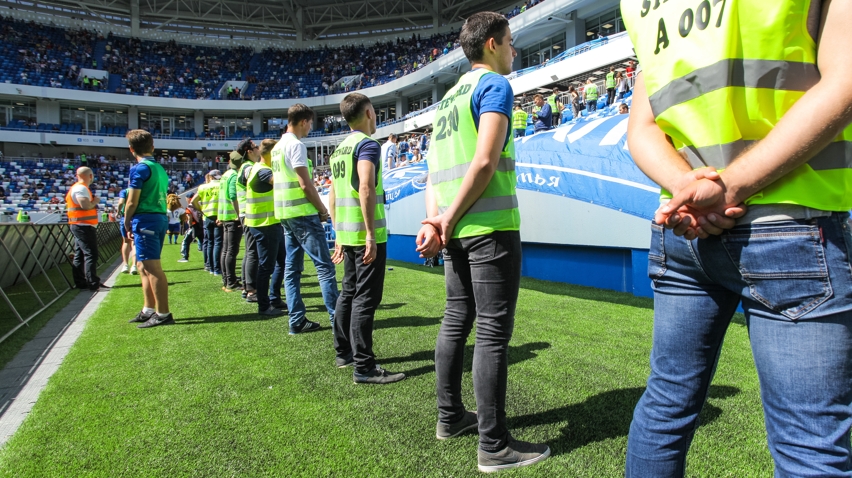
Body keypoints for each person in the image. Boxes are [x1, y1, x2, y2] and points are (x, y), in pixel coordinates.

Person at [622, 0, 852, 476]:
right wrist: (727, 188)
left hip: (684, 232)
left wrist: (687, 189)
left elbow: (640, 127)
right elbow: (845, 81)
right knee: (809, 444)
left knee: (665, 404)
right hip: (790, 223)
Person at [416, 11, 549, 472]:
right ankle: (493, 446)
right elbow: (485, 162)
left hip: (454, 232)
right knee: (492, 333)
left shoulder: (447, 100)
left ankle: (450, 417)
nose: (514, 50)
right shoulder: (495, 86)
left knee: (455, 320)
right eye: (510, 42)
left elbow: (433, 173)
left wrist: (436, 222)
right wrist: (447, 220)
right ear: (492, 43)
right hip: (489, 230)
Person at [329, 92, 404, 385]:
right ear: (370, 113)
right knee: (365, 298)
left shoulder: (339, 150)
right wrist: (371, 234)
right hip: (364, 236)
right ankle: (364, 367)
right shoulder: (368, 145)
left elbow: (333, 195)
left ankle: (344, 353)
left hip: (347, 233)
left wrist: (337, 232)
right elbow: (365, 186)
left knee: (348, 292)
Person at [272, 104, 339, 334]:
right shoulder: (296, 145)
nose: (311, 127)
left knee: (292, 270)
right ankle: (337, 320)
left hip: (286, 215)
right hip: (303, 214)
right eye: (310, 123)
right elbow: (305, 185)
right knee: (325, 268)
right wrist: (322, 210)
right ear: (303, 122)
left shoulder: (277, 148)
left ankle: (297, 320)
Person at [123, 129, 173, 328]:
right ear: (152, 147)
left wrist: (126, 221)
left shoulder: (139, 169)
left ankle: (163, 313)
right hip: (157, 218)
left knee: (152, 268)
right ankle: (148, 309)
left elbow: (131, 201)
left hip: (146, 220)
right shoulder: (159, 168)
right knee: (143, 266)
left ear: (131, 149)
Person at [245, 139, 287, 316]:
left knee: (281, 261)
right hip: (265, 224)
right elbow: (282, 183)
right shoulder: (263, 171)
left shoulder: (257, 168)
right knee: (266, 267)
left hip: (268, 223)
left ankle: (274, 298)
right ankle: (264, 306)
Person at [66, 167, 106, 291]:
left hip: (80, 224)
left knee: (80, 254)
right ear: (90, 176)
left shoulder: (78, 188)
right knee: (91, 254)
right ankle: (93, 283)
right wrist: (95, 201)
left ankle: (81, 282)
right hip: (83, 226)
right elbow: (85, 205)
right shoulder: (81, 188)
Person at [236, 139, 259, 302]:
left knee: (250, 251)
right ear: (249, 151)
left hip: (246, 213)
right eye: (255, 147)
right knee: (252, 252)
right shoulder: (249, 168)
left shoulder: (245, 167)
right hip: (250, 213)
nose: (258, 149)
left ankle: (247, 287)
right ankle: (251, 290)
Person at [218, 151, 243, 292]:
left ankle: (227, 279)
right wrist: (239, 215)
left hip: (225, 215)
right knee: (232, 250)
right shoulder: (234, 175)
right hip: (233, 217)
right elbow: (233, 196)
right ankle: (231, 281)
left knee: (226, 249)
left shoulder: (225, 175)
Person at [116, 187, 137, 274]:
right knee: (135, 242)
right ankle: (134, 266)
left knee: (126, 241)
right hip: (136, 217)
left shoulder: (125, 191)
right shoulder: (140, 190)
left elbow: (121, 202)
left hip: (125, 217)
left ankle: (125, 265)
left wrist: (118, 212)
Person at [179, 197, 204, 263]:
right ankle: (207, 258)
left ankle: (185, 257)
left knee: (186, 241)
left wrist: (190, 226)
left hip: (194, 226)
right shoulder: (200, 205)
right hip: (202, 225)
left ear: (188, 199)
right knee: (204, 242)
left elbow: (190, 217)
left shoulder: (189, 207)